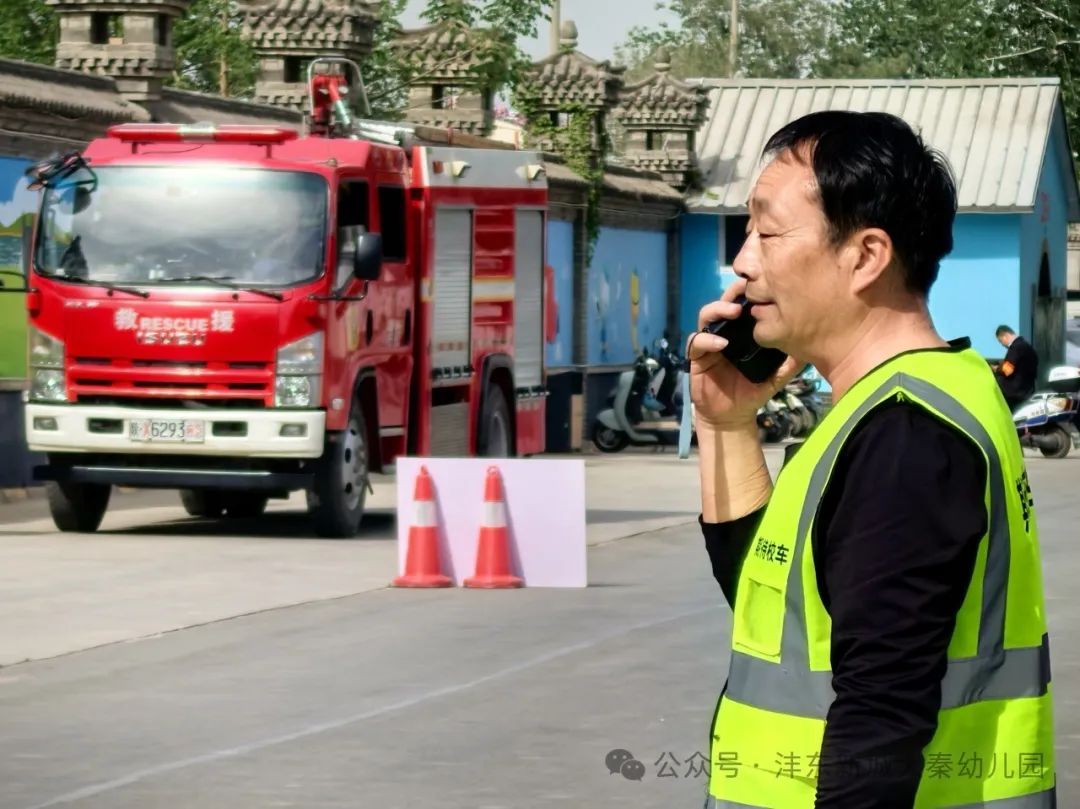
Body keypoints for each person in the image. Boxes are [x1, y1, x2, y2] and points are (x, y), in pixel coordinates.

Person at [687, 110, 1055, 808]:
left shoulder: (904, 436)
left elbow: (880, 718)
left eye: (767, 232)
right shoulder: (903, 403)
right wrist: (725, 423)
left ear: (866, 256)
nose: (742, 263)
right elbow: (778, 620)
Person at [993, 325, 1039, 410]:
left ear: (1005, 336)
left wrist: (996, 369)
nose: (1002, 344)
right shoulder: (1027, 346)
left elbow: (1007, 370)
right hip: (1026, 392)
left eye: (1001, 341)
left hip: (1014, 395)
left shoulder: (1016, 347)